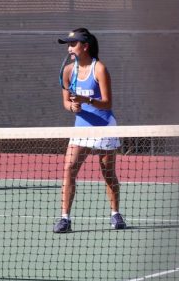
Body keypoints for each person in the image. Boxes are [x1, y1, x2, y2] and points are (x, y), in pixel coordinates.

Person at [54, 28, 126, 233]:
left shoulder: (100, 69)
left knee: (108, 173)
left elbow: (107, 102)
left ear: (85, 46)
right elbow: (66, 103)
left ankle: (115, 214)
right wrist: (72, 107)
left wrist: (87, 100)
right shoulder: (68, 71)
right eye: (68, 44)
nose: (69, 48)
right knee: (69, 170)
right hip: (81, 129)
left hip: (103, 127)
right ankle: (64, 219)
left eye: (73, 44)